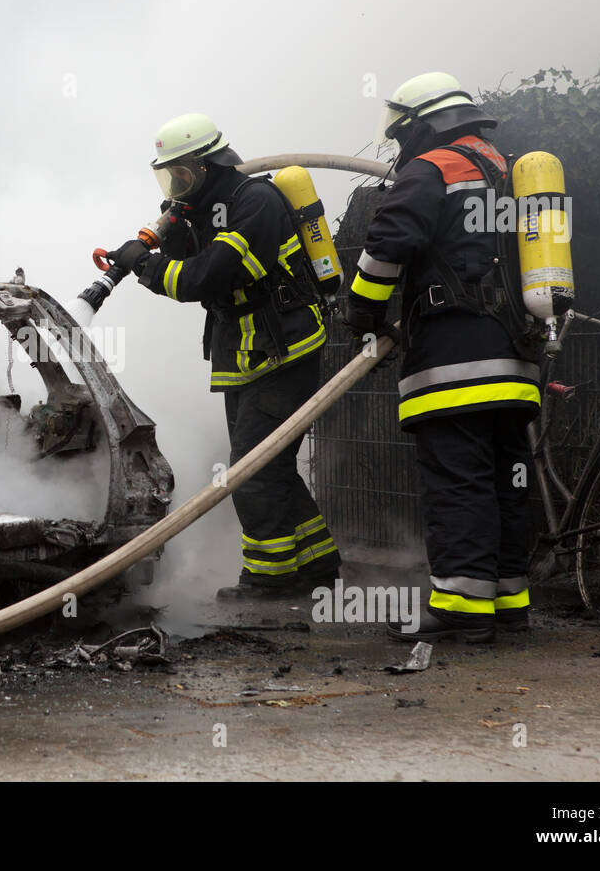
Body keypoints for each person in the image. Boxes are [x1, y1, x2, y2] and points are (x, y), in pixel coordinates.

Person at [108, 113, 341, 599]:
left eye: (183, 173)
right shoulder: (198, 209)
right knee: (270, 465)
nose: (176, 185)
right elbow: (187, 257)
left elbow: (205, 278)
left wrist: (145, 266)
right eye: (169, 175)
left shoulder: (255, 202)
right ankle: (317, 567)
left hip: (284, 351)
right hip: (243, 353)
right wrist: (153, 242)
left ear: (208, 164)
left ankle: (268, 580)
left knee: (250, 469)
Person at [344, 72, 541, 643]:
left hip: (456, 358)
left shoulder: (432, 168)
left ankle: (459, 609)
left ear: (422, 124)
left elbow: (389, 245)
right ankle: (509, 604)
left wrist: (361, 313)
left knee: (459, 483)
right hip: (515, 358)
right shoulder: (507, 168)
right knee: (508, 480)